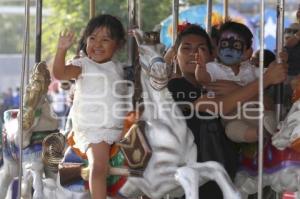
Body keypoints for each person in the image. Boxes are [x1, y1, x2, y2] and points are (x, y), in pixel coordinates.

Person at [167, 24, 287, 199]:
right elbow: (220, 107)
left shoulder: (221, 81)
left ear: (212, 55)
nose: (194, 54)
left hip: (229, 174)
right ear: (175, 55)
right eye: (186, 48)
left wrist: (236, 89)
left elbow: (267, 104)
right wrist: (265, 81)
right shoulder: (177, 87)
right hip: (195, 179)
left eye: (201, 48)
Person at [51, 14, 127, 199]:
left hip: (120, 127)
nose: (97, 44)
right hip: (95, 129)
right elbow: (60, 73)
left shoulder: (118, 67)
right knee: (99, 166)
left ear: (118, 45)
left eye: (105, 39)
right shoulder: (83, 65)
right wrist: (61, 50)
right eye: (92, 38)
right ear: (85, 40)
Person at [195, 21, 276, 143]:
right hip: (231, 114)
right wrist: (200, 67)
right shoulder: (214, 68)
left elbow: (272, 74)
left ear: (247, 53)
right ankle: (259, 134)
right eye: (225, 44)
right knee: (232, 129)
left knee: (269, 115)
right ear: (217, 49)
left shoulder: (251, 70)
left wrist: (280, 62)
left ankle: (271, 127)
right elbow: (203, 78)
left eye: (236, 46)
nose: (229, 49)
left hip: (254, 111)